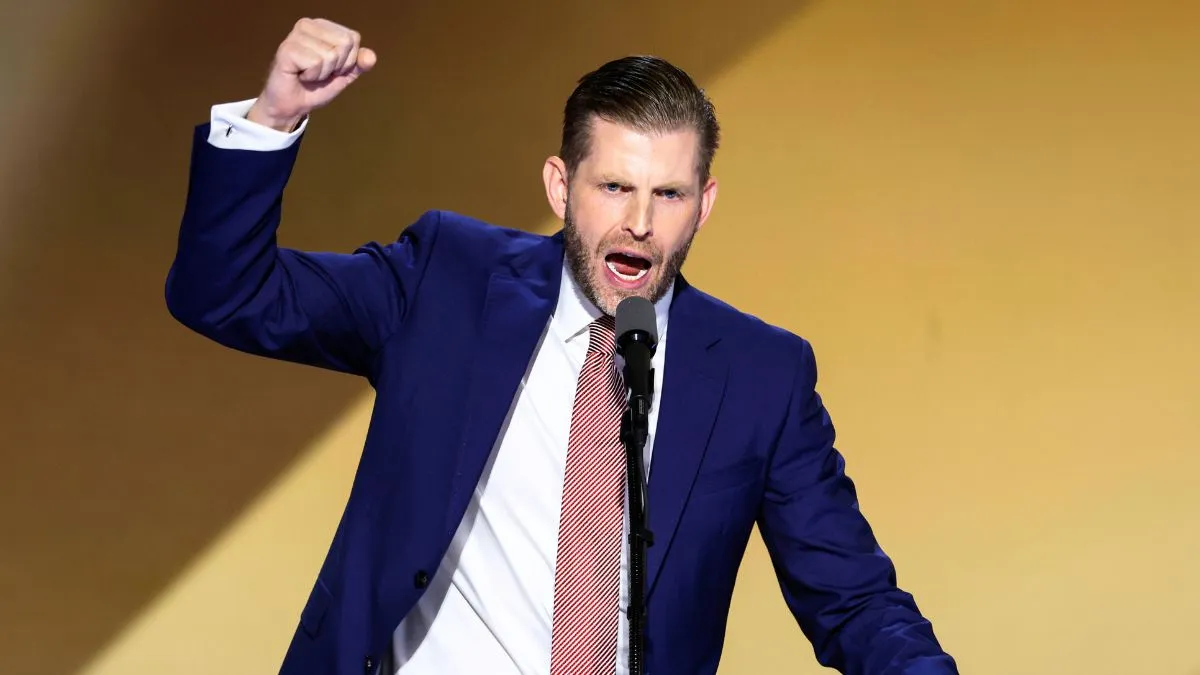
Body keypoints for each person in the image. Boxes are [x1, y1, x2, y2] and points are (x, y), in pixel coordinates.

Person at [165, 16, 958, 675]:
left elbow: (852, 599)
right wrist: (270, 120)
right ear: (559, 186)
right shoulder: (448, 282)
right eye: (614, 186)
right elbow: (227, 294)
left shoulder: (761, 376)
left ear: (704, 203)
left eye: (669, 194)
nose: (640, 223)